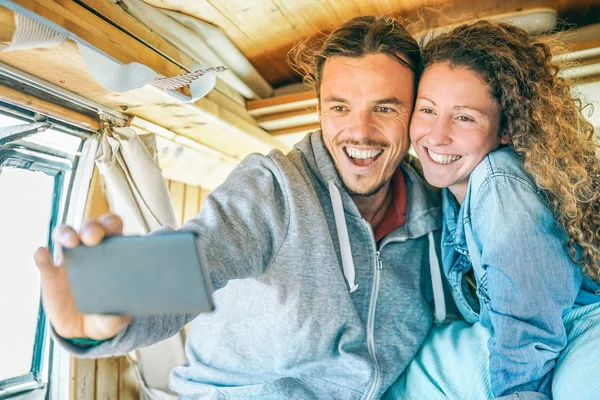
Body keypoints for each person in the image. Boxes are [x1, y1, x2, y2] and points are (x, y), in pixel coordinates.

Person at [34, 16, 448, 399]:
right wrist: (118, 306)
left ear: (416, 113)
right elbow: (203, 251)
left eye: (386, 108)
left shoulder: (434, 208)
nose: (360, 130)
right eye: (340, 107)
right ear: (319, 109)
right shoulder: (275, 187)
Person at [386, 20, 600, 400]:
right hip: (529, 332)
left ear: (505, 128)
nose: (437, 135)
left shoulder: (498, 179)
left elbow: (528, 325)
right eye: (427, 110)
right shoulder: (452, 192)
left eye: (465, 117)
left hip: (582, 325)